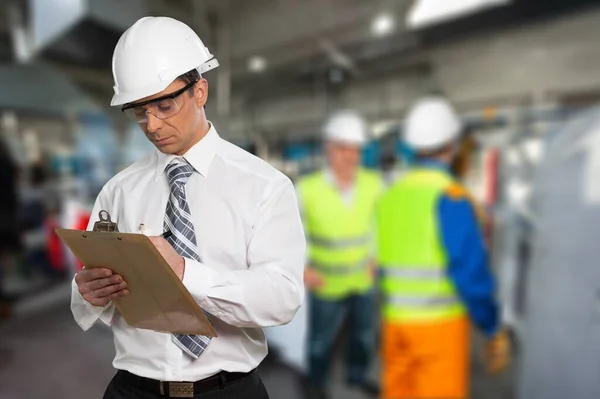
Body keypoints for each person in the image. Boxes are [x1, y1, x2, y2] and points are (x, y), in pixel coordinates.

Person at [70, 17, 306, 399]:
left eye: (165, 105)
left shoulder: (264, 186)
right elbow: (95, 286)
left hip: (227, 389)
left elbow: (282, 298)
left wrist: (184, 272)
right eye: (139, 111)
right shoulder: (119, 191)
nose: (152, 124)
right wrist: (86, 291)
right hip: (133, 390)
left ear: (200, 91)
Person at [375, 97, 510, 399]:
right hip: (437, 330)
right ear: (451, 143)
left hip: (394, 324)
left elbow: (380, 262)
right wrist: (491, 325)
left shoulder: (390, 197)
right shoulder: (451, 197)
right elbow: (470, 273)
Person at [298, 110, 383, 399]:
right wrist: (303, 269)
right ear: (329, 148)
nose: (350, 156)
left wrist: (377, 258)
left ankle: (357, 376)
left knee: (363, 336)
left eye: (356, 150)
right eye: (344, 148)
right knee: (321, 341)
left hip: (363, 279)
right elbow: (292, 235)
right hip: (326, 281)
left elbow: (381, 226)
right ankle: (316, 382)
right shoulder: (307, 190)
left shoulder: (374, 184)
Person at [0, 137, 19, 319]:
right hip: (6, 217)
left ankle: (3, 302)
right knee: (4, 260)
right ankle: (4, 301)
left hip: (4, 217)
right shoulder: (7, 163)